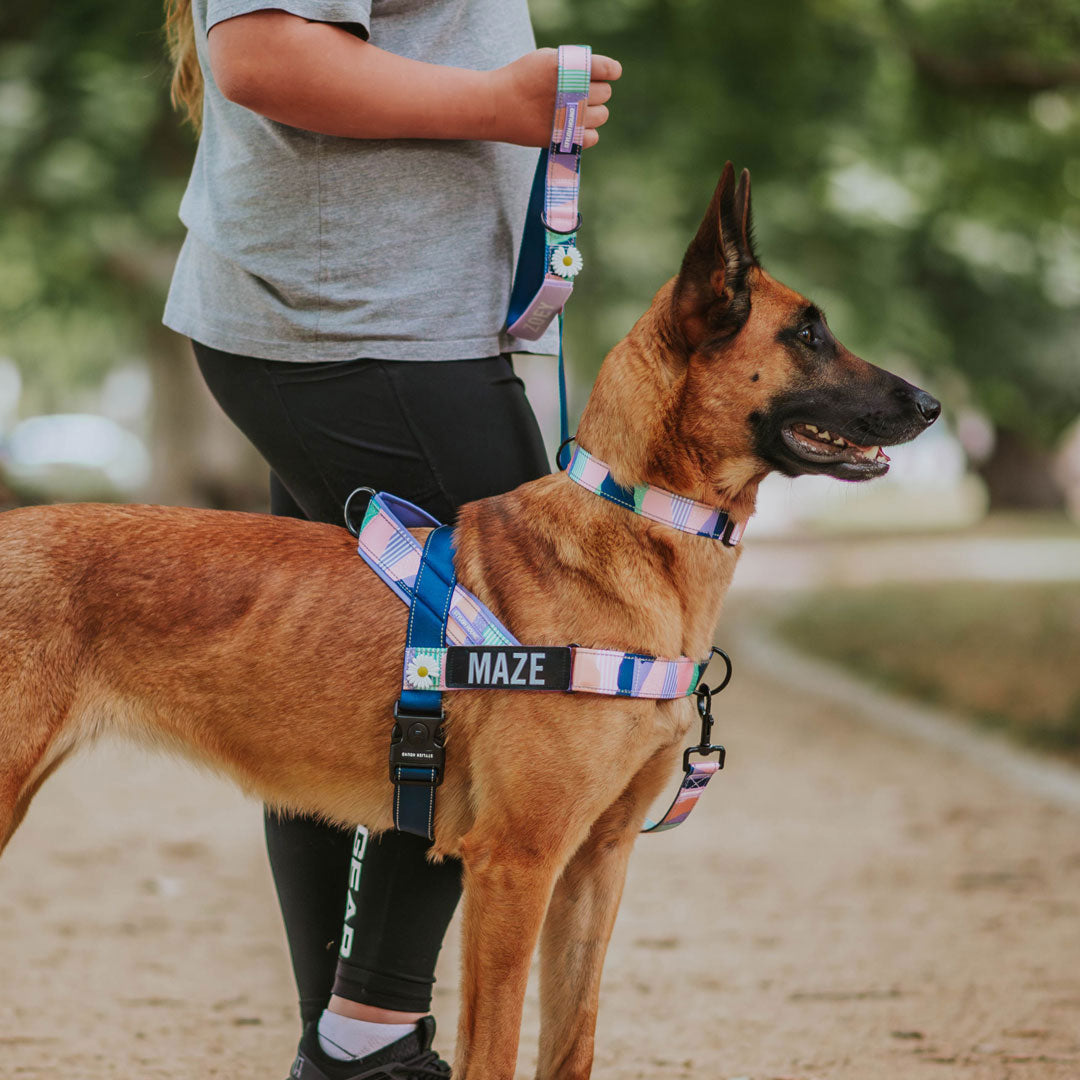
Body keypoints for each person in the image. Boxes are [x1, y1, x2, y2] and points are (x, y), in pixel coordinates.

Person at [161, 3, 621, 1077]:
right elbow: (261, 53)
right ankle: (365, 1043)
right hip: (363, 326)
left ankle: (352, 1043)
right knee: (508, 673)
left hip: (362, 317)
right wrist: (499, 101)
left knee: (330, 678)